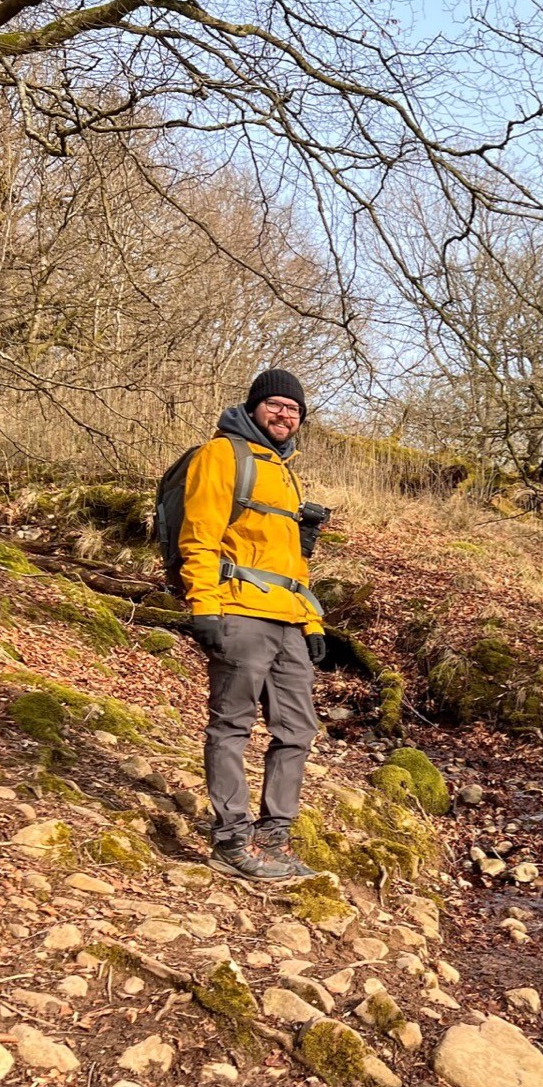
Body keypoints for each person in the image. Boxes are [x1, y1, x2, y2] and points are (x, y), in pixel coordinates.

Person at [179, 368, 329, 881]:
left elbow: (294, 562)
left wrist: (311, 622)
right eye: (276, 405)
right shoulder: (222, 455)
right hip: (240, 611)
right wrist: (204, 606)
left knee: (297, 730)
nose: (285, 414)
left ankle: (274, 835)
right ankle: (230, 839)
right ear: (254, 406)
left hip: (288, 619)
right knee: (232, 724)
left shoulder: (285, 471)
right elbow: (198, 537)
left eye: (294, 409)